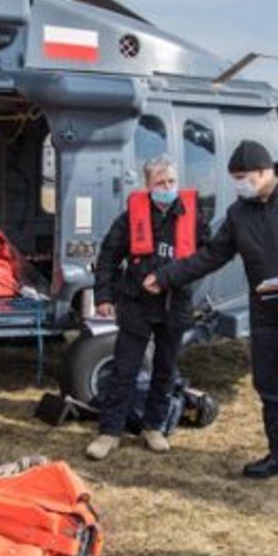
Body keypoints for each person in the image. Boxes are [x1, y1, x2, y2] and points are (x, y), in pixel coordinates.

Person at [148, 140, 278, 497]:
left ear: (264, 172)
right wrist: (166, 277)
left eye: (242, 177)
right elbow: (211, 255)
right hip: (266, 312)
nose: (238, 185)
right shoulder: (239, 214)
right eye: (235, 178)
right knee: (269, 387)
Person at [85, 156, 201, 460]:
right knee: (124, 369)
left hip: (175, 304)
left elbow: (206, 258)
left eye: (171, 181)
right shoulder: (130, 219)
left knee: (166, 370)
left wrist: (176, 279)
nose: (167, 187)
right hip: (136, 303)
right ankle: (109, 432)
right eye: (160, 183)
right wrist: (104, 297)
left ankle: (154, 427)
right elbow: (108, 258)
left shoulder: (193, 217)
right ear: (148, 185)